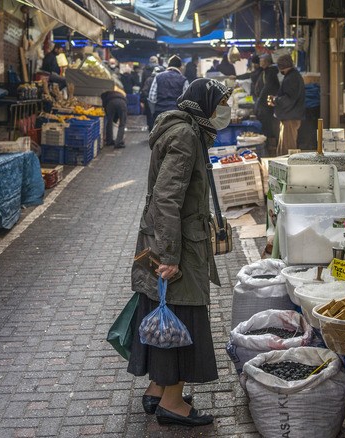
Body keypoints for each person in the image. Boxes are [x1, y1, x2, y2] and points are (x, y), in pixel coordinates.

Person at [127, 77, 232, 427]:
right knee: (183, 319)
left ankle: (157, 390)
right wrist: (170, 257)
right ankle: (173, 404)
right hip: (177, 245)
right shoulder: (186, 136)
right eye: (219, 104)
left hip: (163, 239)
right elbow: (166, 198)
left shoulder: (180, 129)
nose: (223, 111)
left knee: (163, 313)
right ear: (203, 105)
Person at [268, 54, 305, 156]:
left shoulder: (291, 78)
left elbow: (288, 99)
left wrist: (275, 101)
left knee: (287, 150)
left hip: (290, 118)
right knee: (283, 148)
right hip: (290, 117)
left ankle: (289, 171)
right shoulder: (293, 76)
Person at [148, 55, 189, 126]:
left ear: (168, 66)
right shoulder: (184, 80)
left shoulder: (158, 77)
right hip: (177, 115)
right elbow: (187, 101)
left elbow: (152, 98)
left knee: (158, 136)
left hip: (160, 113)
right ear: (180, 67)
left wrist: (154, 112)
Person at [255, 54, 281, 147]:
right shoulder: (265, 71)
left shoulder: (270, 72)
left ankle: (270, 143)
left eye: (261, 61)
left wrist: (260, 99)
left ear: (266, 62)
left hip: (267, 102)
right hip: (264, 101)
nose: (260, 62)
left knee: (268, 122)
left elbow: (267, 87)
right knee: (267, 122)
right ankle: (268, 141)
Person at [141, 65, 164, 131]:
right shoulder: (161, 80)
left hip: (149, 103)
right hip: (160, 103)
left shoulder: (149, 79)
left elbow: (144, 90)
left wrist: (146, 99)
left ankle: (151, 134)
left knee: (150, 120)